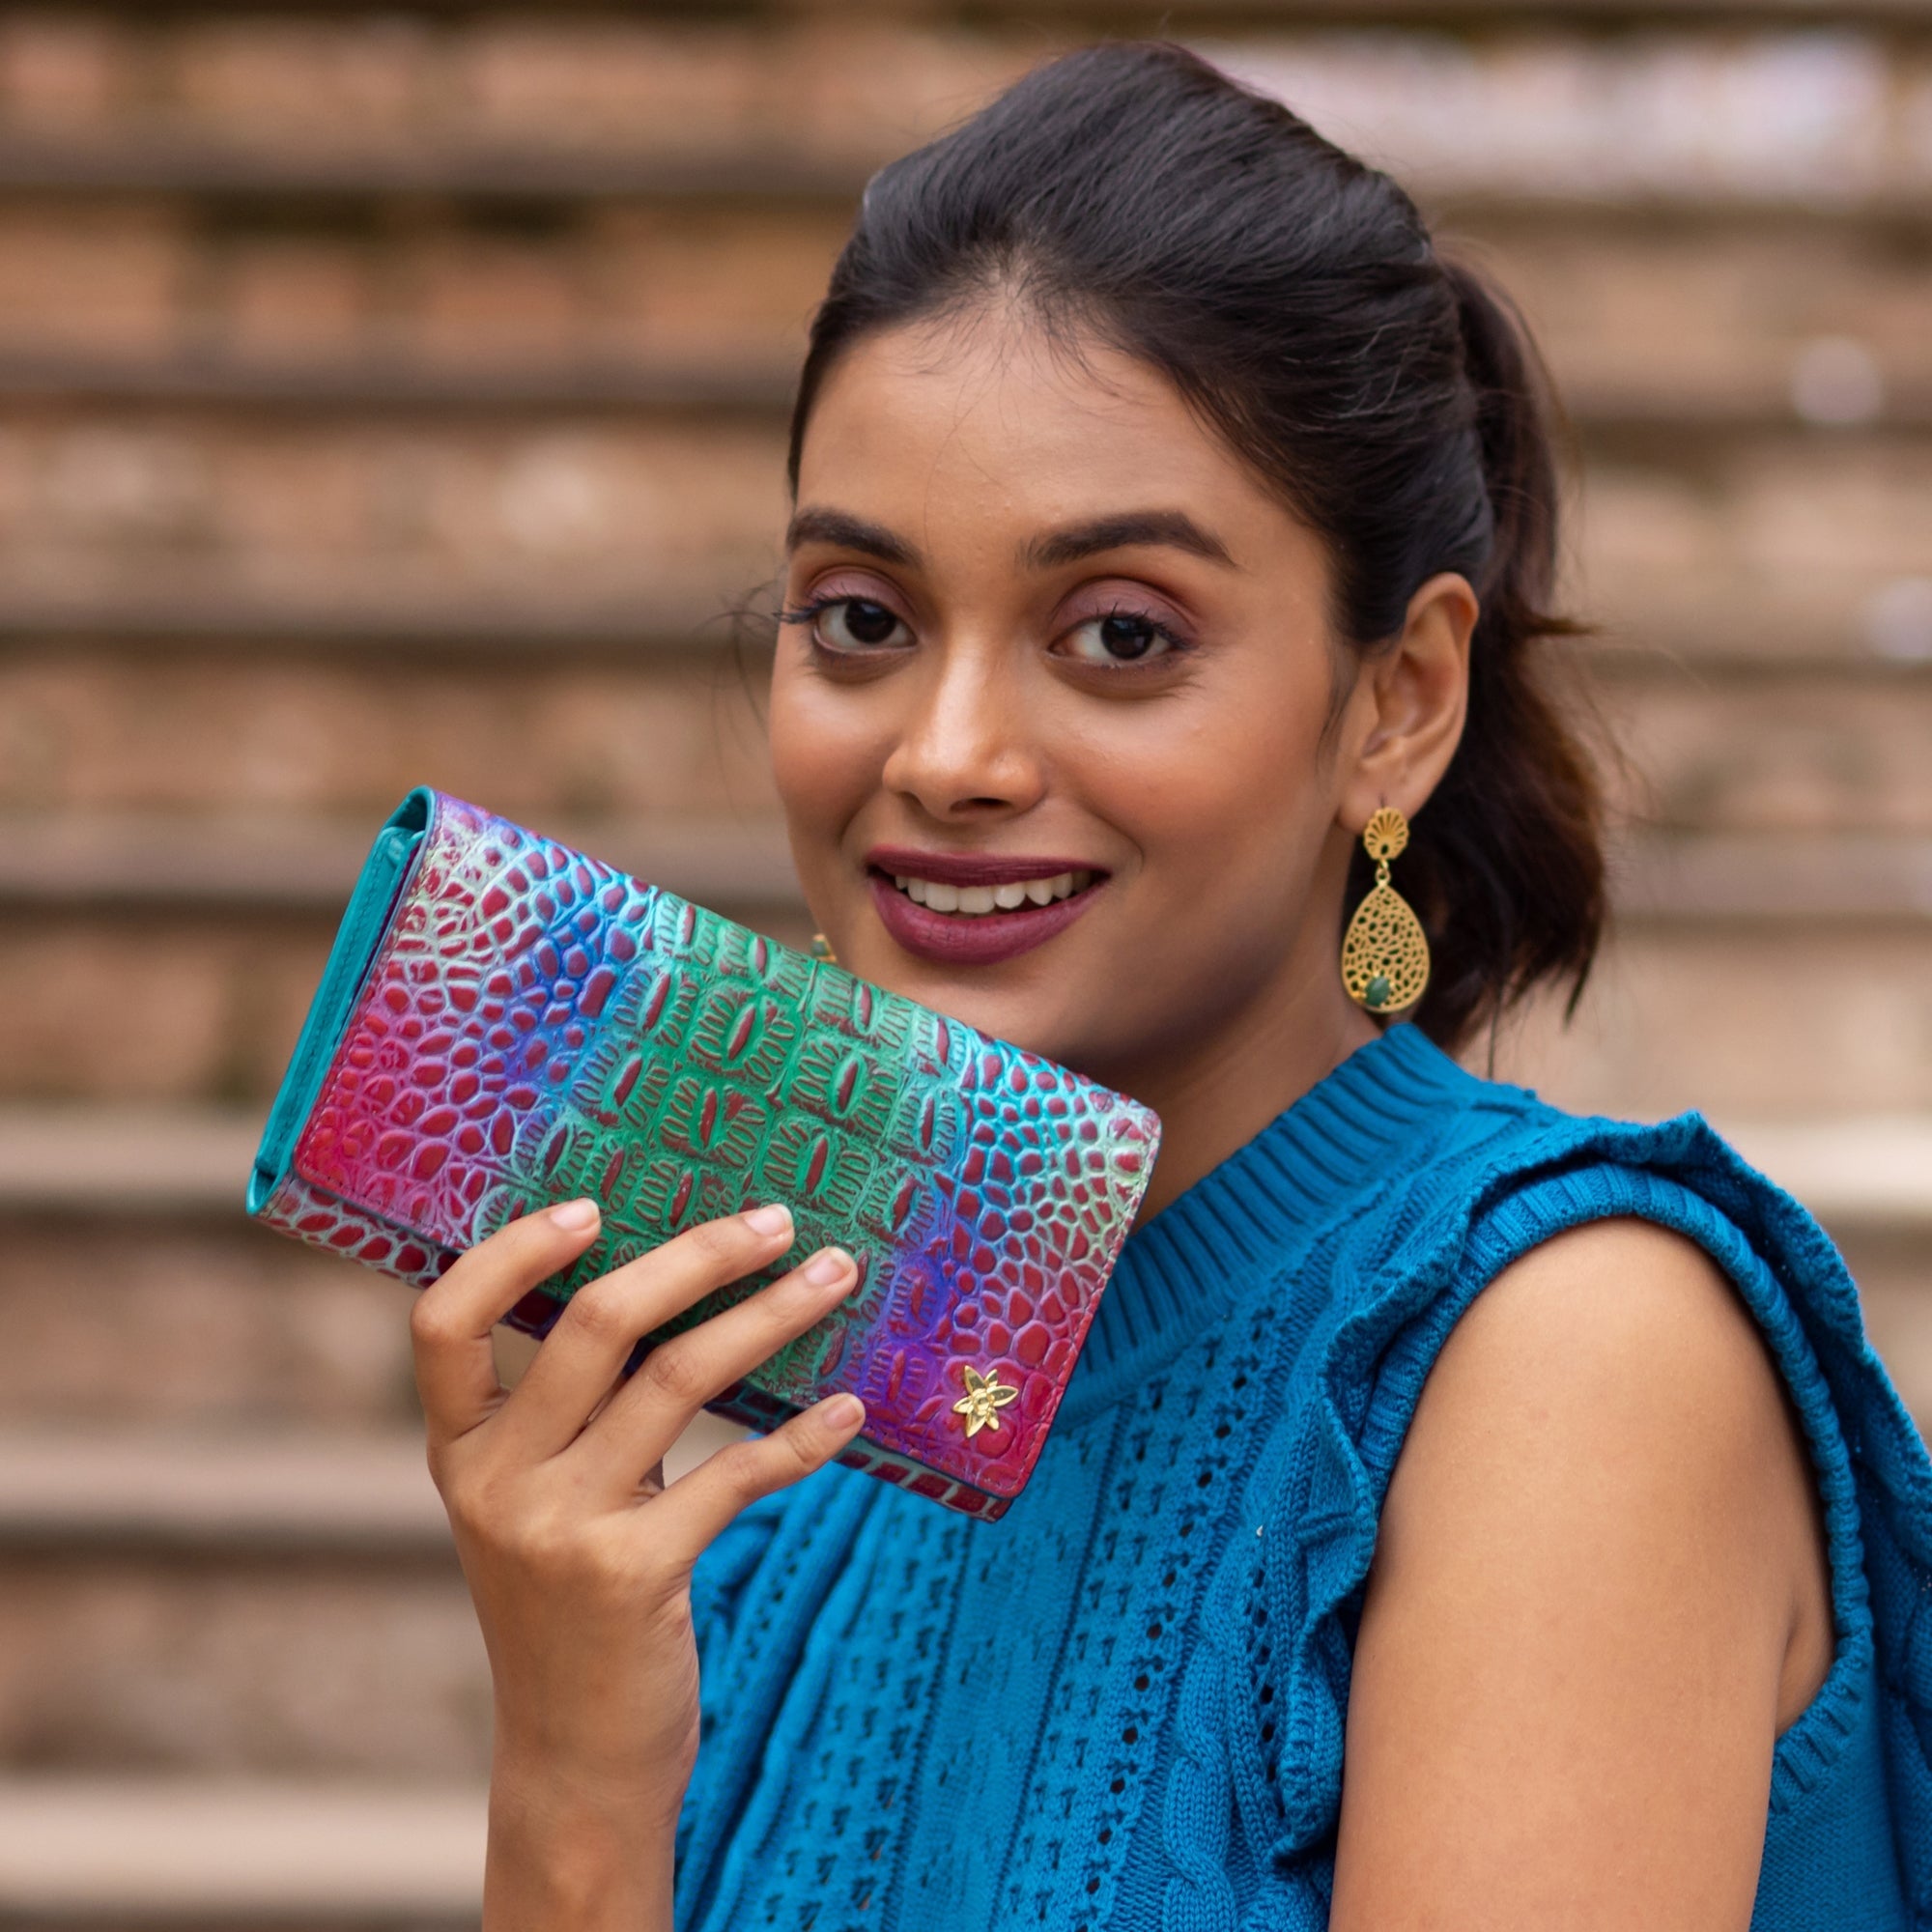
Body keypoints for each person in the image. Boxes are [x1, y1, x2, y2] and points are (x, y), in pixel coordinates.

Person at [404, 41, 1932, 1930]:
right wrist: (568, 1778)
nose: (946, 751)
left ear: (1400, 701)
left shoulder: (1558, 1361)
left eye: (1119, 634)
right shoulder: (811, 1495)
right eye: (860, 621)